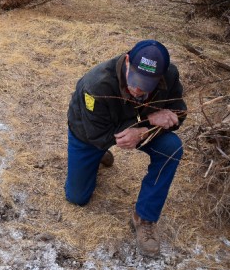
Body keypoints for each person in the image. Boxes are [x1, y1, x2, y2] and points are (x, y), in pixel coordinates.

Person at [65, 39, 187, 257]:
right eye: (136, 79)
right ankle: (97, 157)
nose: (138, 88)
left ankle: (144, 217)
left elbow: (179, 112)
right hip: (90, 134)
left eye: (147, 84)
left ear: (160, 77)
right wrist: (145, 122)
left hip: (137, 128)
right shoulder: (96, 85)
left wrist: (142, 130)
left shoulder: (169, 76)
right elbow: (98, 135)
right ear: (127, 61)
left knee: (172, 148)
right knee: (76, 197)